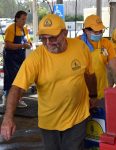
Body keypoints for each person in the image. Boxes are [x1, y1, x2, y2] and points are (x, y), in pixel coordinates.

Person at [0, 14, 97, 150]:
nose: (48, 43)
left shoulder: (80, 47)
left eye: (53, 37)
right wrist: (8, 117)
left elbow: (90, 74)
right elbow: (17, 87)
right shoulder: (36, 58)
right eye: (43, 39)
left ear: (65, 33)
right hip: (50, 123)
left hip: (78, 117)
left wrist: (93, 95)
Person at [78, 15, 116, 99]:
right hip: (82, 92)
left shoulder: (106, 43)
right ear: (86, 30)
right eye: (96, 32)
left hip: (101, 89)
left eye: (101, 31)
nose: (99, 34)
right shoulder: (77, 44)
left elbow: (114, 63)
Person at [2, 10, 32, 107]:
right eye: (22, 19)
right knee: (10, 79)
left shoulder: (25, 29)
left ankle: (18, 99)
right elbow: (8, 45)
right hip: (10, 58)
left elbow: (28, 41)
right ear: (16, 19)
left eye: (25, 19)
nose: (24, 21)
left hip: (20, 57)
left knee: (20, 79)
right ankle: (7, 100)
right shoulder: (10, 28)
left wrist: (29, 44)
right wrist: (22, 45)